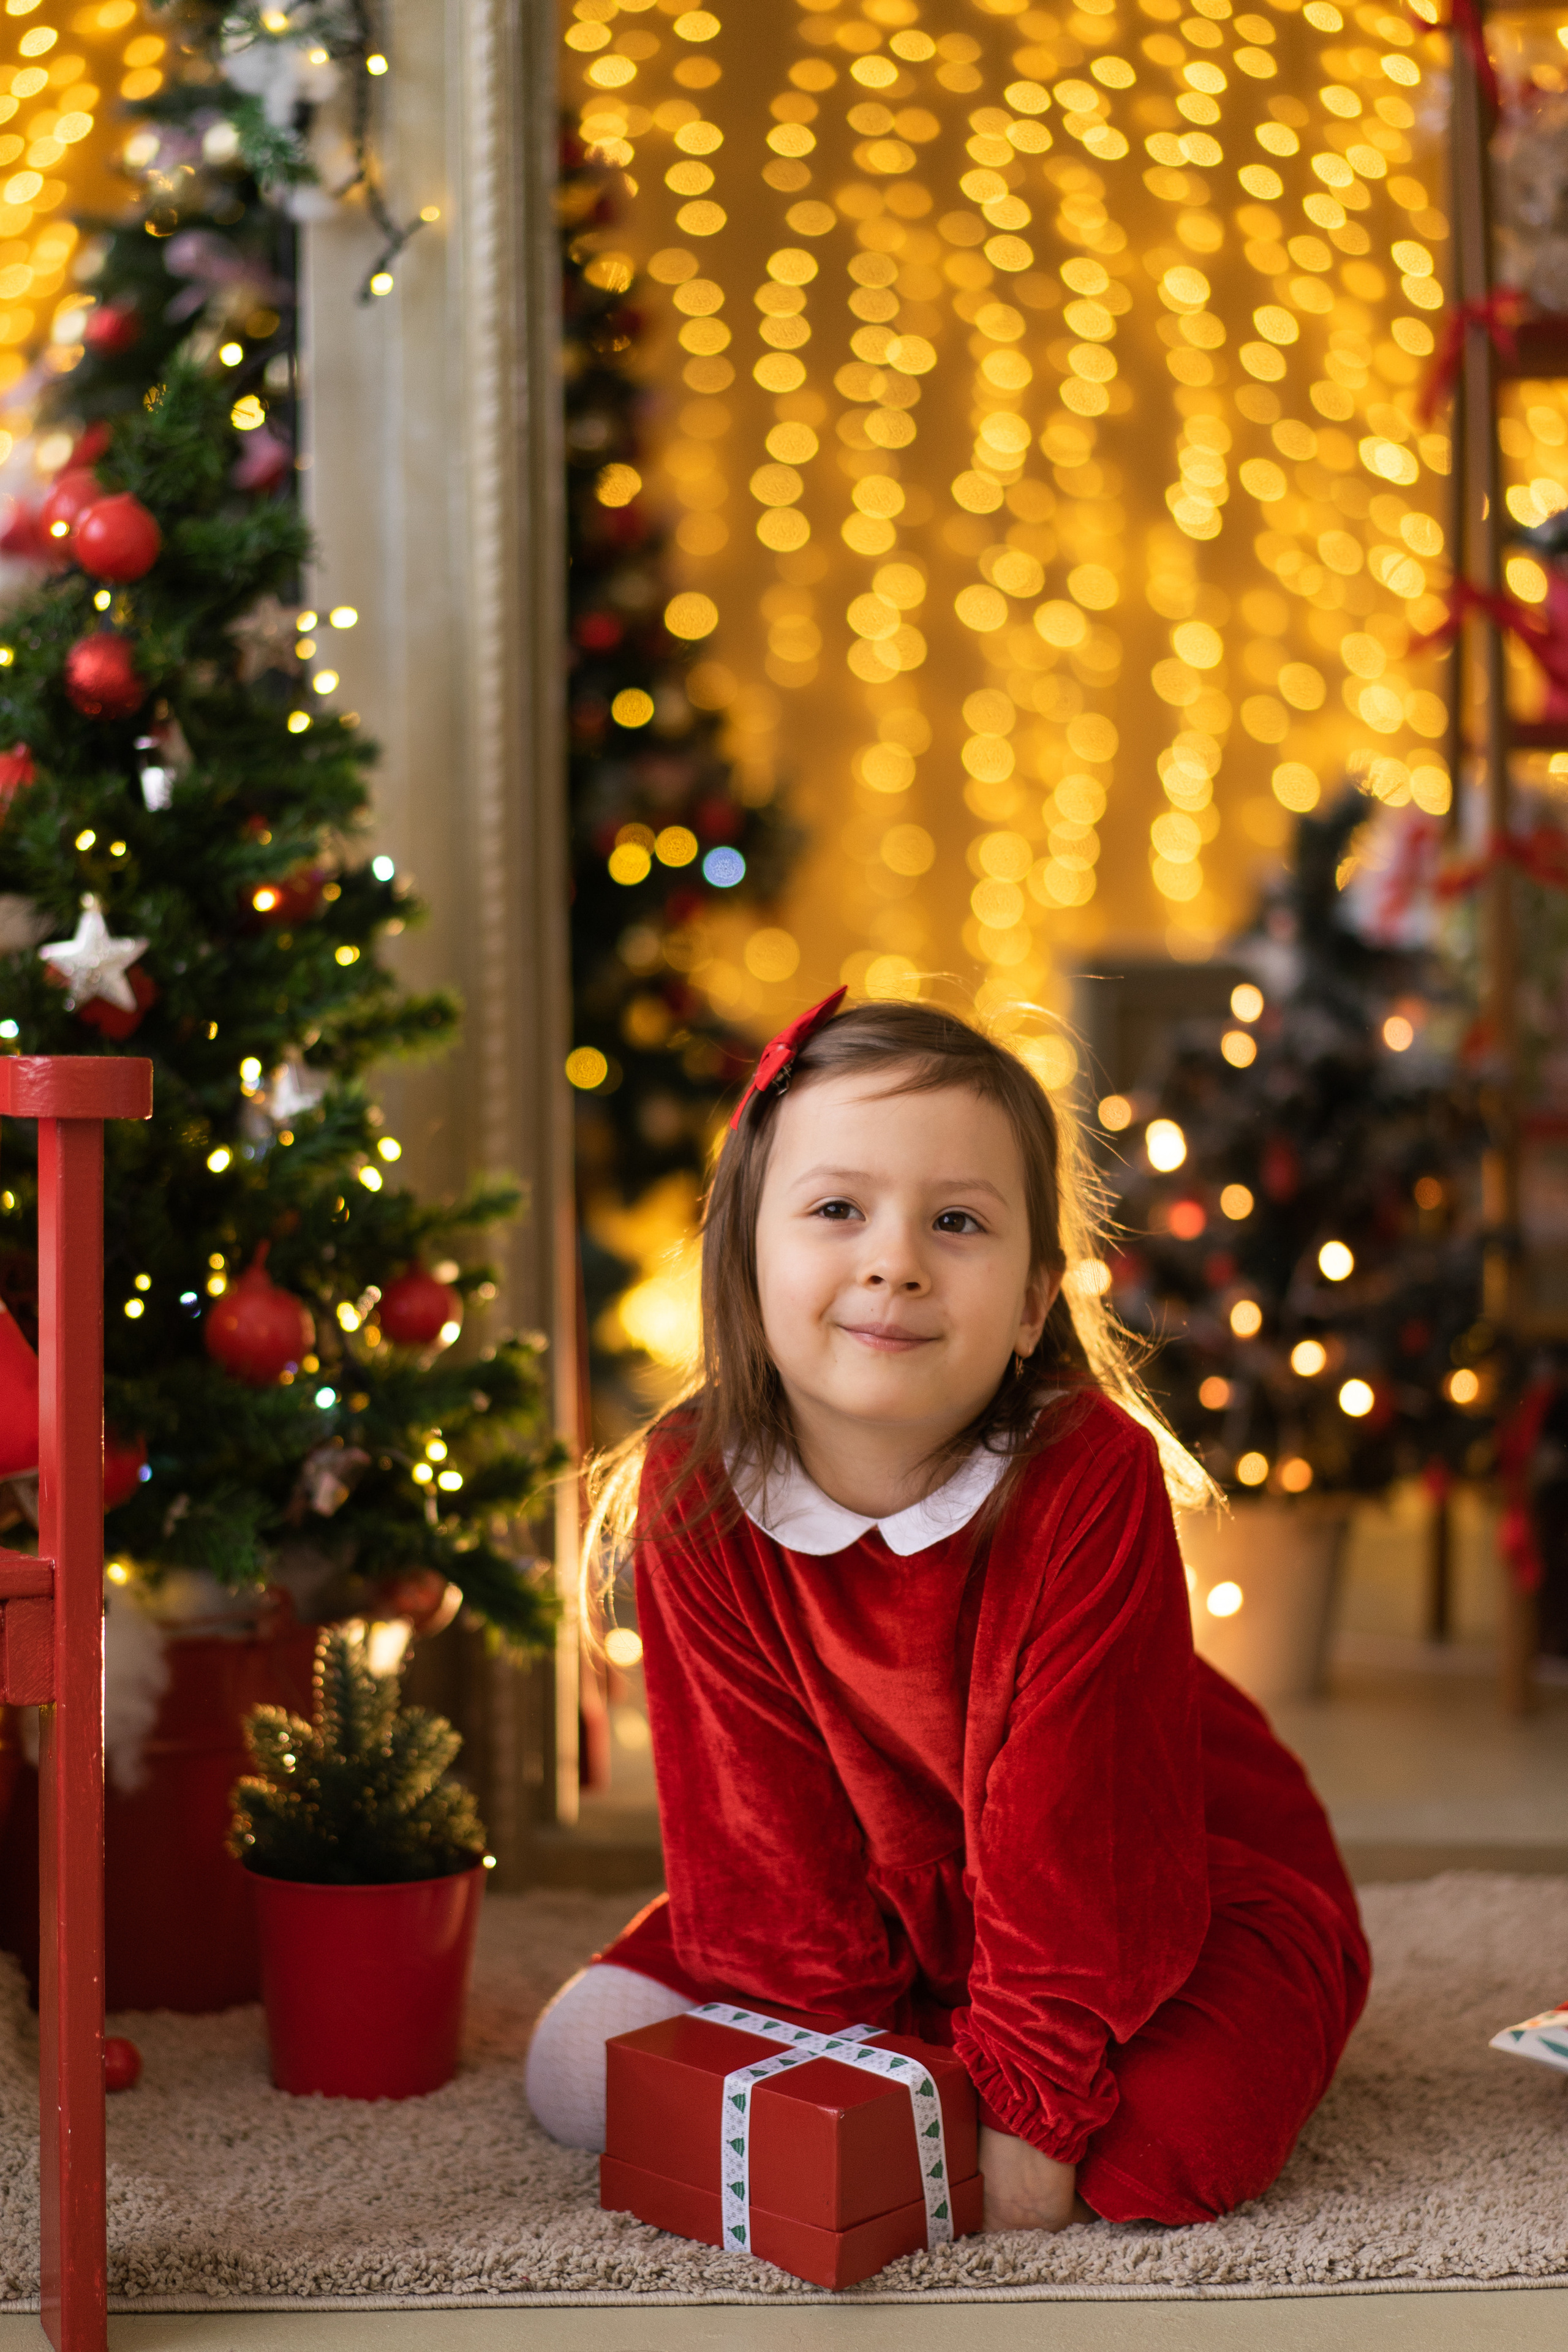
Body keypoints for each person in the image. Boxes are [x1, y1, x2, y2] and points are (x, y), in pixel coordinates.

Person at [527, 994, 1370, 2233]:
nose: (894, 1261)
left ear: (1031, 1304)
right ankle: (932, 2029)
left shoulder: (1087, 1474)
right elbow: (757, 1836)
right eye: (834, 1211)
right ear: (747, 1259)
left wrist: (1027, 2110)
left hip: (1158, 1879)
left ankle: (997, 2043)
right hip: (877, 1894)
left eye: (956, 1222)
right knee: (572, 2073)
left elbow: (1080, 1846)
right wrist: (856, 2080)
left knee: (1164, 2157)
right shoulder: (694, 1484)